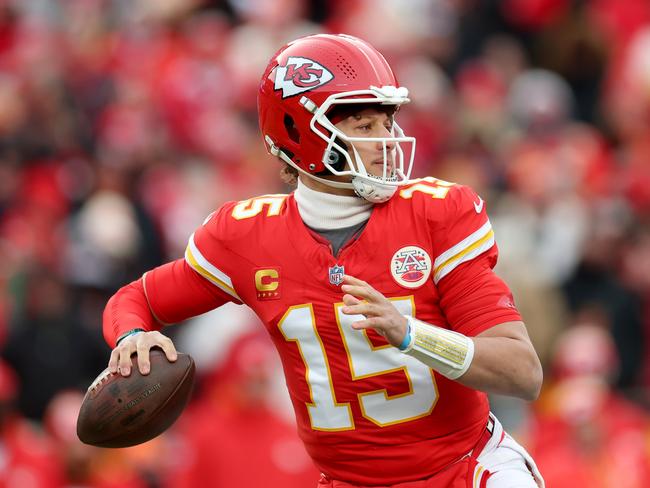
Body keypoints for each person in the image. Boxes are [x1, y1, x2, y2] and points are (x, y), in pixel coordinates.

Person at [103, 33, 545, 487]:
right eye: (363, 126)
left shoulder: (437, 213)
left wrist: (410, 334)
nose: (386, 141)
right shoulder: (247, 236)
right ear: (298, 133)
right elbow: (136, 298)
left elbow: (522, 372)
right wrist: (132, 336)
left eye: (386, 122)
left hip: (464, 467)